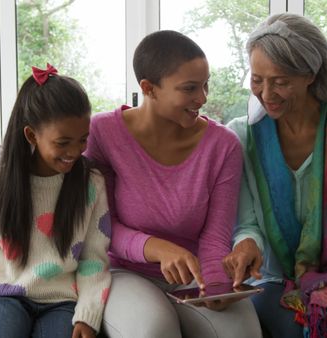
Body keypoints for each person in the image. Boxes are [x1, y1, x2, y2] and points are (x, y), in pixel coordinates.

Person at [85, 30, 261, 338]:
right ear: (149, 88)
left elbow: (216, 234)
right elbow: (100, 226)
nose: (203, 98)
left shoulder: (223, 145)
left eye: (206, 84)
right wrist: (157, 248)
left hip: (193, 274)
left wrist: (216, 285)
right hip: (126, 271)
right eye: (190, 88)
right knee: (154, 329)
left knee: (241, 334)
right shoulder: (103, 133)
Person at [223, 13, 327, 338]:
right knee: (299, 328)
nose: (266, 94)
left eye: (280, 81)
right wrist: (245, 246)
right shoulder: (241, 136)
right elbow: (248, 224)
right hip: (271, 279)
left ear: (310, 74)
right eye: (257, 79)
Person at [0, 64, 111, 338]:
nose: (75, 151)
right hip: (6, 297)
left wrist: (88, 316)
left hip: (62, 302)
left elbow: (95, 258)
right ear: (32, 135)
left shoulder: (91, 183)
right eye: (63, 142)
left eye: (83, 140)